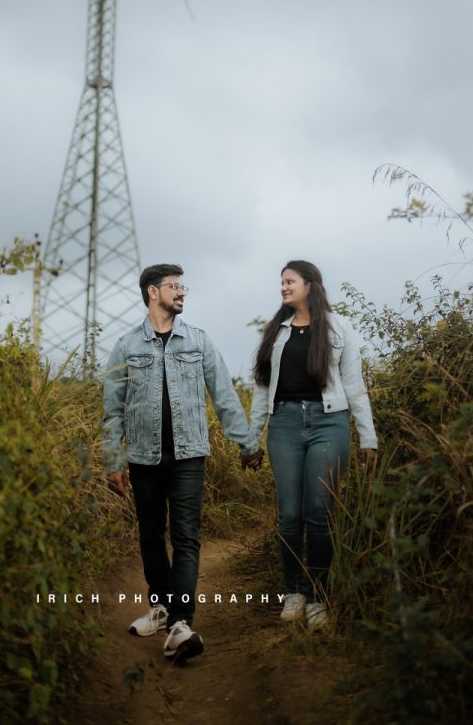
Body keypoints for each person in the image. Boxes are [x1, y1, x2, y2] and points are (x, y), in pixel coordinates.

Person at [103, 263, 263, 661]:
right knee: (151, 536)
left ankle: (181, 620)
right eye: (174, 286)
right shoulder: (126, 346)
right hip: (143, 457)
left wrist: (246, 445)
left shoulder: (199, 341)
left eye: (182, 286)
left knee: (187, 538)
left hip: (189, 454)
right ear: (153, 292)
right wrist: (113, 461)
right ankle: (159, 609)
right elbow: (113, 412)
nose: (182, 292)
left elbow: (224, 396)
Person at [250, 259, 377, 631]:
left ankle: (318, 596)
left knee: (319, 514)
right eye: (282, 282)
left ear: (311, 285)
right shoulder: (276, 332)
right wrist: (249, 440)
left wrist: (367, 437)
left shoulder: (340, 328)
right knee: (290, 515)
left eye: (289, 281)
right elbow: (261, 390)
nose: (283, 287)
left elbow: (354, 385)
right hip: (285, 424)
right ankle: (293, 592)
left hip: (329, 422)